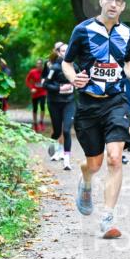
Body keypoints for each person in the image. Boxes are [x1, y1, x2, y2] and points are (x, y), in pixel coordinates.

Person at [62, 0, 130, 239]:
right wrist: (74, 77)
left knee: (114, 158)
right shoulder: (83, 30)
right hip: (88, 103)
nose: (113, 4)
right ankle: (86, 181)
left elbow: (127, 62)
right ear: (101, 1)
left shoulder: (128, 34)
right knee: (94, 164)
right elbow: (67, 63)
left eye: (119, 1)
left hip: (116, 101)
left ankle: (107, 218)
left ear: (123, 7)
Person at [43, 42, 76, 171]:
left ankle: (67, 161)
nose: (66, 53)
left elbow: (83, 78)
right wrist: (60, 88)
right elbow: (46, 84)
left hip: (69, 102)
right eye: (63, 51)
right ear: (58, 53)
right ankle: (53, 147)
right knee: (57, 131)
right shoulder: (54, 68)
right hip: (54, 103)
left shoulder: (74, 66)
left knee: (67, 131)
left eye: (68, 50)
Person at [25, 59, 47, 132]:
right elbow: (27, 80)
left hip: (43, 92)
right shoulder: (32, 72)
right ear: (36, 64)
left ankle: (41, 122)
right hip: (35, 92)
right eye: (37, 63)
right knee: (35, 108)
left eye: (40, 64)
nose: (39, 65)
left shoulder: (45, 72)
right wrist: (31, 88)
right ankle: (35, 123)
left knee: (42, 106)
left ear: (42, 65)